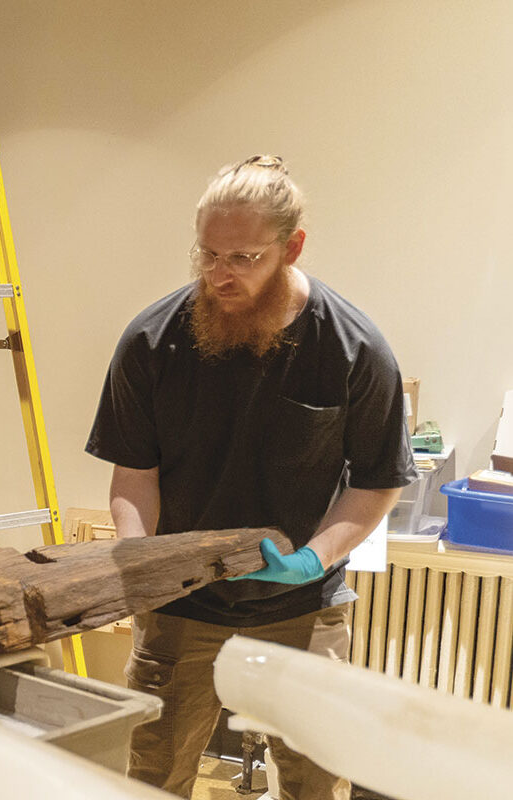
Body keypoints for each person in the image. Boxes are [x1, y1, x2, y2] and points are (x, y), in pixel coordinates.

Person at [86, 155, 415, 800]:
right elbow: (135, 474)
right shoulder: (153, 342)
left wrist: (313, 559)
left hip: (302, 604)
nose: (219, 276)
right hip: (180, 605)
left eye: (242, 258)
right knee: (154, 777)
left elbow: (377, 480)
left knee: (316, 781)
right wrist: (140, 561)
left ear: (291, 247)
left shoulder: (353, 349)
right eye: (207, 255)